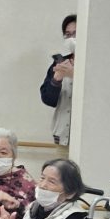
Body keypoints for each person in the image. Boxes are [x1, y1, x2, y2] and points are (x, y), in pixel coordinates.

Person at [40, 14, 77, 146]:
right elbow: (48, 100)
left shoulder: (95, 63)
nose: (71, 38)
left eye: (76, 34)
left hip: (87, 138)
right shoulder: (60, 62)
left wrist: (74, 75)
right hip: (62, 137)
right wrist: (56, 80)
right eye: (68, 34)